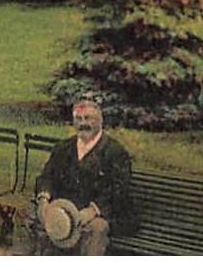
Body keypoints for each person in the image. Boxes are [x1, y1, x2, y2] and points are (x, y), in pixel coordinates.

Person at [16, 100, 134, 255]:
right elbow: (46, 176)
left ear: (100, 121)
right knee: (24, 213)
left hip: (99, 213)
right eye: (79, 119)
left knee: (96, 228)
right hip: (64, 208)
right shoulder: (63, 147)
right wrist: (44, 199)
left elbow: (119, 191)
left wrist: (93, 210)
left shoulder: (115, 152)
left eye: (88, 118)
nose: (83, 124)